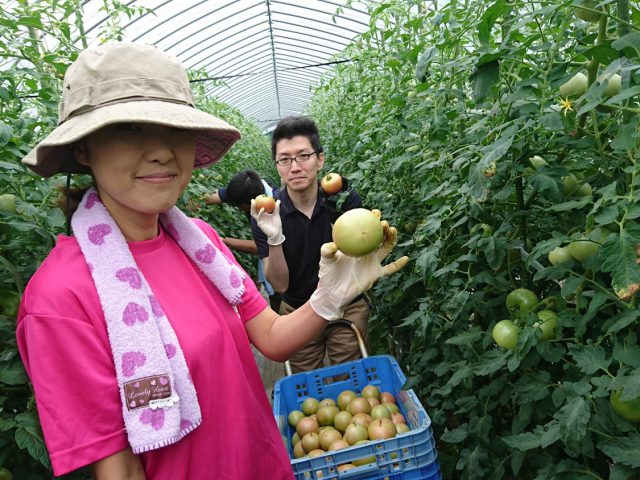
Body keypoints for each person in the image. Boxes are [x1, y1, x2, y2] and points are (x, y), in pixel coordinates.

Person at [15, 43, 408, 480]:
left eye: (174, 129)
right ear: (84, 149)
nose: (162, 151)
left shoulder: (200, 243)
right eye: (129, 128)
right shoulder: (61, 298)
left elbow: (274, 339)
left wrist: (331, 294)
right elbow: (122, 472)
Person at [251, 115, 370, 374]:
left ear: (320, 159)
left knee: (352, 382)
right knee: (306, 390)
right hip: (297, 311)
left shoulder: (342, 201)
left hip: (345, 306)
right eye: (285, 159)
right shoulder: (267, 214)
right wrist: (274, 238)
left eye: (303, 156)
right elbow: (280, 285)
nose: (295, 167)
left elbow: (358, 259)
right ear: (277, 166)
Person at [203, 169, 281, 311]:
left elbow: (260, 248)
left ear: (251, 202)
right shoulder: (248, 189)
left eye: (240, 207)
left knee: (279, 302)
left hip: (279, 269)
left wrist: (222, 241)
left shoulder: (272, 211)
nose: (239, 210)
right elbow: (211, 197)